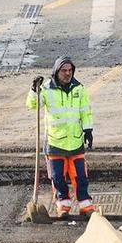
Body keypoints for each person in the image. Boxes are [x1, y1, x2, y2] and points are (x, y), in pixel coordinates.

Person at [28, 55, 95, 215]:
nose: (67, 73)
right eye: (64, 70)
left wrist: (88, 130)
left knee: (80, 177)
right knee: (58, 178)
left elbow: (85, 112)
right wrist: (33, 91)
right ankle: (63, 205)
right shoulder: (46, 89)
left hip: (76, 142)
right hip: (55, 143)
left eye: (70, 70)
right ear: (57, 72)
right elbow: (32, 105)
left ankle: (85, 205)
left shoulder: (79, 89)